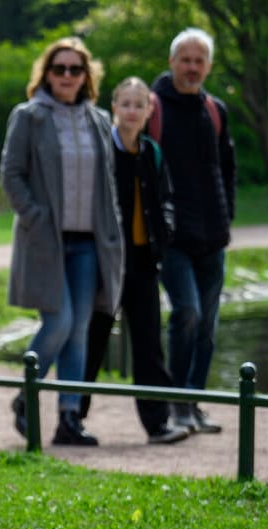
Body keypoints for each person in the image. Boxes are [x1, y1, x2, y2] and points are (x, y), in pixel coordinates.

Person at [2, 37, 123, 446]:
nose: (68, 76)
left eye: (75, 69)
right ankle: (26, 395)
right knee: (60, 321)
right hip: (46, 242)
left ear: (87, 75)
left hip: (90, 243)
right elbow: (11, 175)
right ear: (47, 74)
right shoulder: (29, 116)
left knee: (81, 331)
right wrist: (36, 216)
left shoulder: (100, 120)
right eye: (60, 69)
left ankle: (69, 418)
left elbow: (108, 186)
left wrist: (112, 230)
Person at [81, 77, 188, 445]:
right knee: (93, 340)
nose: (131, 111)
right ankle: (72, 418)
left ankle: (157, 424)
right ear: (114, 107)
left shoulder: (151, 152)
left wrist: (166, 231)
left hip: (143, 262)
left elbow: (168, 200)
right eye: (125, 104)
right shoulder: (101, 150)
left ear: (148, 110)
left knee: (148, 344)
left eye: (138, 105)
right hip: (106, 264)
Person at [151, 27, 236, 433]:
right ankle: (176, 403)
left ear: (209, 66)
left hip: (213, 237)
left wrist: (227, 218)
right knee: (186, 313)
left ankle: (194, 402)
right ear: (171, 63)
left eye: (199, 60)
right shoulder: (153, 109)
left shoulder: (215, 110)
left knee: (208, 326)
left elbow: (227, 168)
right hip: (172, 239)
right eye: (185, 59)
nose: (191, 67)